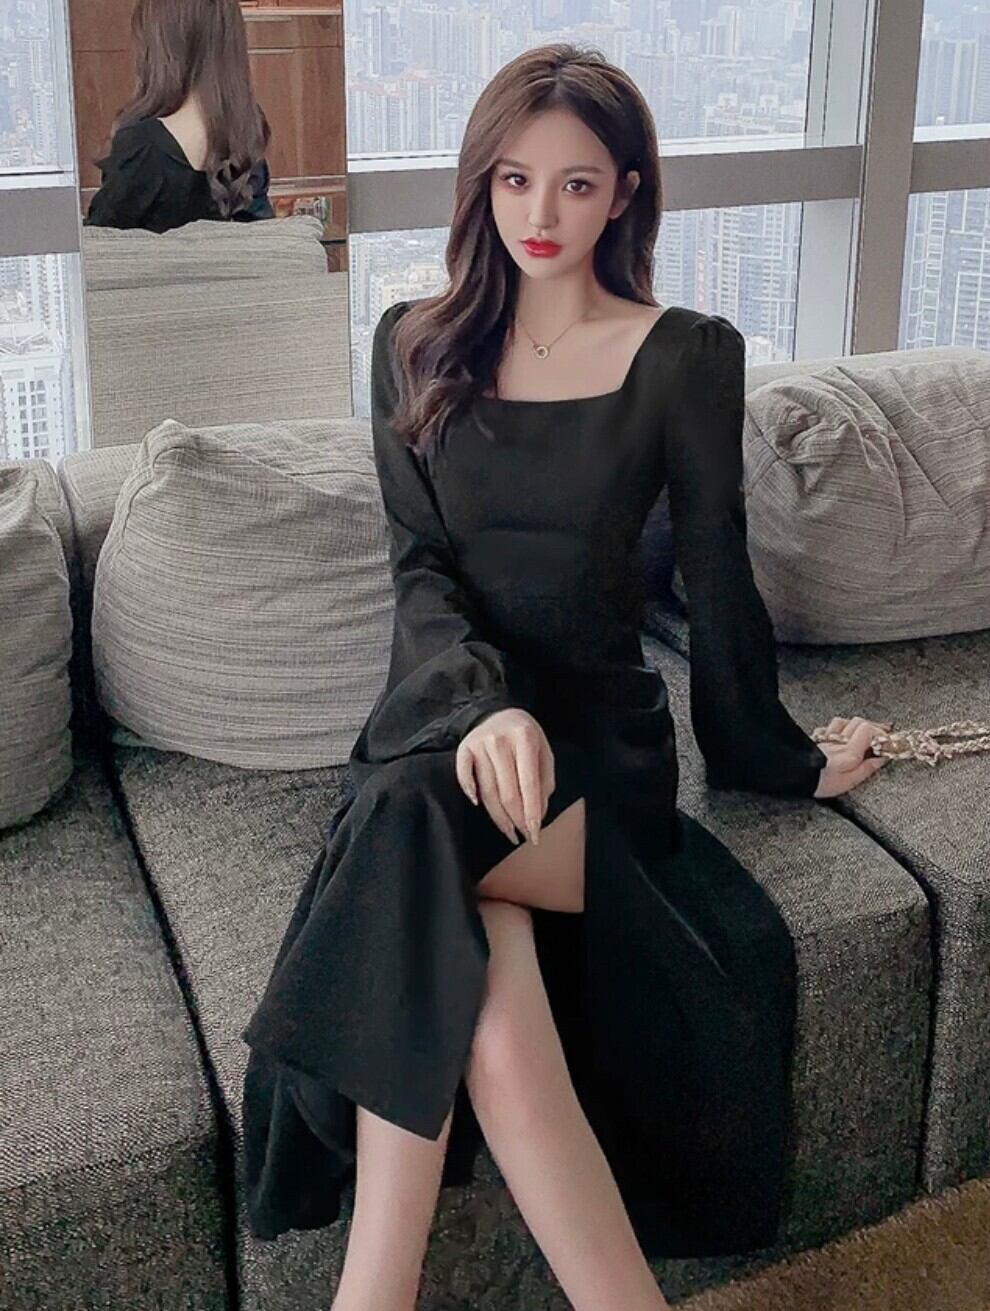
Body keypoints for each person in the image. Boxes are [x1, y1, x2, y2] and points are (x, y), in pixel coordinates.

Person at [240, 43, 891, 1311]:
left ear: (625, 193)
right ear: (481, 185)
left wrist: (783, 757)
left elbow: (717, 573)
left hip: (597, 764)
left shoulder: (685, 355)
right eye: (515, 180)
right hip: (448, 731)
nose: (541, 214)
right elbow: (420, 570)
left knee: (411, 827)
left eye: (578, 184)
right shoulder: (410, 346)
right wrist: (482, 708)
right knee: (463, 905)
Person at [84, 0, 273, 234]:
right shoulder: (246, 130)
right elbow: (261, 235)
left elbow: (98, 244)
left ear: (157, 47)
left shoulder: (142, 146)